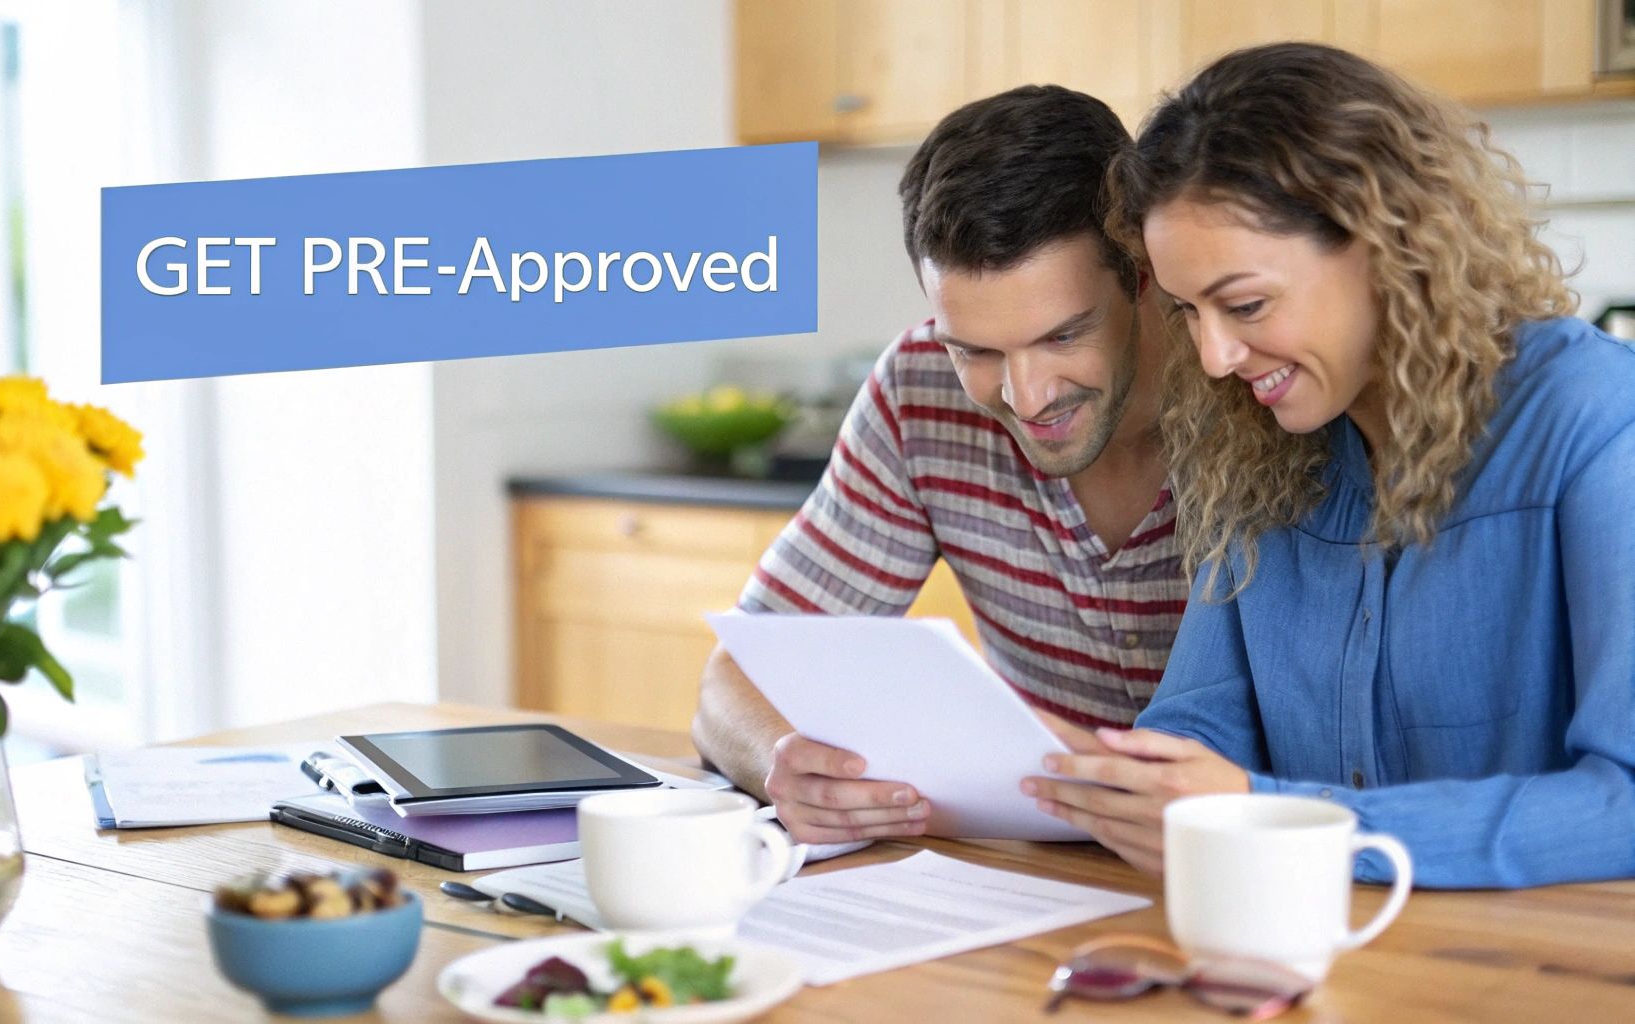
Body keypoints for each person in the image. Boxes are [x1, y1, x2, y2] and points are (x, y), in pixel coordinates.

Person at [1028, 41, 1635, 889]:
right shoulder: (1259, 447)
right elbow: (1200, 729)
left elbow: (1625, 801)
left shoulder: (1597, 423)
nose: (1213, 356)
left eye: (1245, 305)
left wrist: (1278, 825)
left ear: (1388, 240)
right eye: (1188, 311)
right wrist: (1119, 784)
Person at [692, 85, 1186, 845]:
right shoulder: (919, 387)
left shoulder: (1247, 390)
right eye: (977, 350)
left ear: (1141, 274)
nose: (1027, 398)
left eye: (1062, 336)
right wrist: (779, 763)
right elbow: (732, 680)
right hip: (1036, 869)